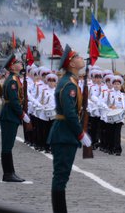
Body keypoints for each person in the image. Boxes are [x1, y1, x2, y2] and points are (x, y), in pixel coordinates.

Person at [47, 44, 91, 213]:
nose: (81, 58)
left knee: (62, 176)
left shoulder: (70, 81)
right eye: (77, 57)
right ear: (71, 63)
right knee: (60, 176)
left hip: (64, 133)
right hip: (64, 134)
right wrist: (80, 134)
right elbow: (70, 113)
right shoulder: (69, 85)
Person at [0, 54, 31, 182]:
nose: (21, 63)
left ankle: (10, 172)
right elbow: (13, 100)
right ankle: (8, 174)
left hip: (10, 115)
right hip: (9, 115)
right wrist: (22, 114)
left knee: (8, 145)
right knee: (7, 145)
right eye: (18, 62)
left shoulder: (15, 78)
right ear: (12, 66)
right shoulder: (12, 80)